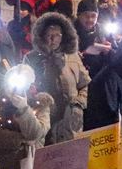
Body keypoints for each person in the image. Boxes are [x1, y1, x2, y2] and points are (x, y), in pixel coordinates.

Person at [26, 13, 88, 144]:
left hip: (71, 118)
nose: (53, 39)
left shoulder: (73, 56)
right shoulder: (32, 58)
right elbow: (26, 87)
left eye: (57, 35)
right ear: (42, 36)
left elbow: (84, 83)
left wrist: (78, 103)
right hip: (45, 116)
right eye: (49, 35)